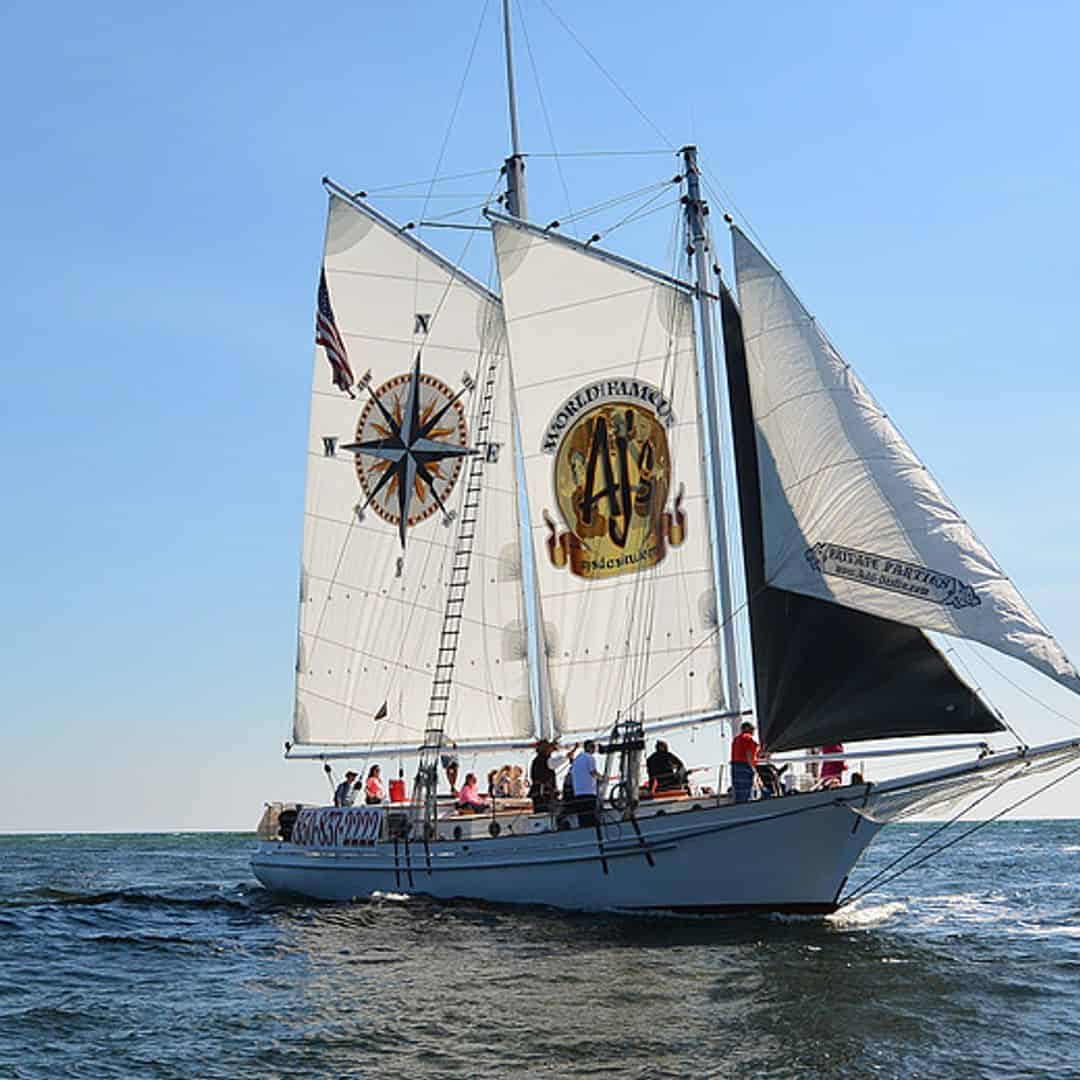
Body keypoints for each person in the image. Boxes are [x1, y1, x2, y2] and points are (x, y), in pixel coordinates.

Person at [570, 739, 602, 827]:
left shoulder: (577, 759)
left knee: (583, 817)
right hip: (589, 792)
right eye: (592, 746)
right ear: (587, 747)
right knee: (590, 816)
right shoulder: (590, 758)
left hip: (578, 793)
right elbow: (593, 772)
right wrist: (602, 778)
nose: (594, 749)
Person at [730, 721, 758, 803]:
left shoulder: (736, 739)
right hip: (744, 766)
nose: (753, 731)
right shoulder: (748, 738)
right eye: (752, 729)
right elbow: (749, 754)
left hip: (735, 767)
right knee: (746, 791)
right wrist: (753, 769)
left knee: (738, 791)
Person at [529, 740, 558, 813]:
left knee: (540, 814)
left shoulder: (537, 760)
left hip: (539, 792)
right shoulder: (544, 760)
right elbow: (543, 777)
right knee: (544, 813)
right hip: (543, 793)